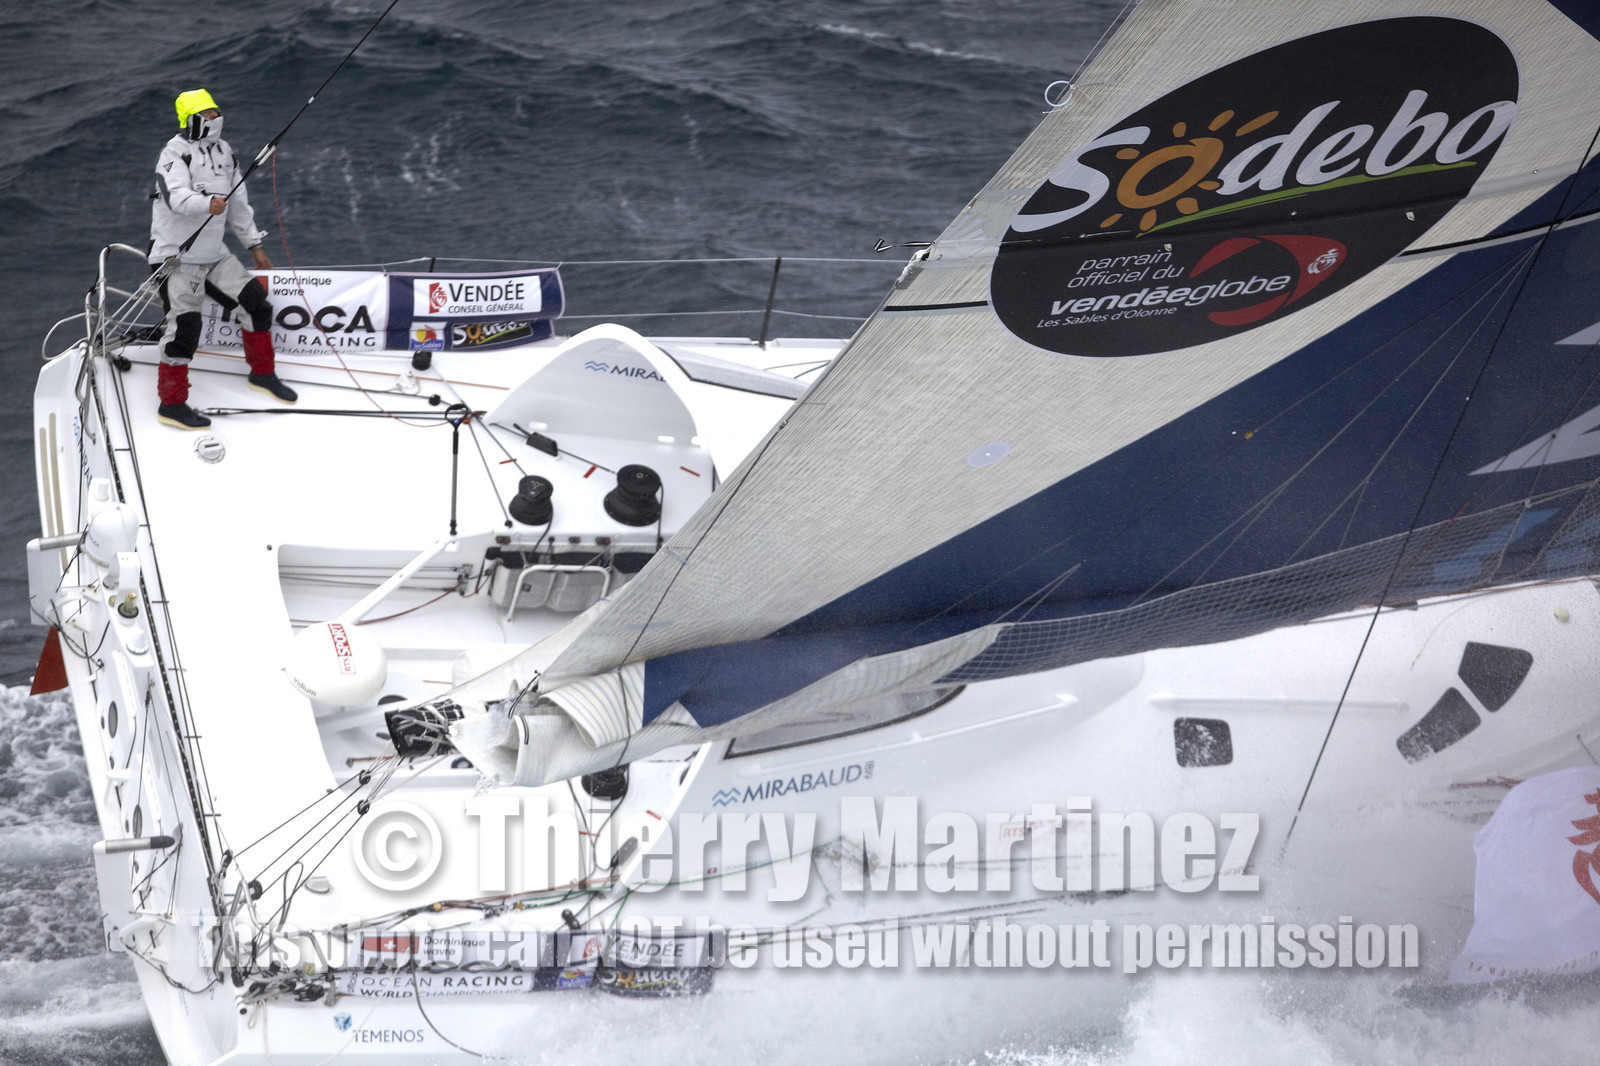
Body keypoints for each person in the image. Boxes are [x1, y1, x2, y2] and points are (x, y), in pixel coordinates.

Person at [149, 88, 297, 429]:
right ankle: (171, 404)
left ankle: (262, 375)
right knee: (184, 329)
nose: (216, 117)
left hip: (214, 255)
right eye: (208, 113)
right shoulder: (174, 152)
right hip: (176, 257)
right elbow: (175, 198)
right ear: (191, 119)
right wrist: (208, 203)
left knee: (257, 304)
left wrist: (254, 246)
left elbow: (239, 202)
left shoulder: (225, 151)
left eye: (216, 111)